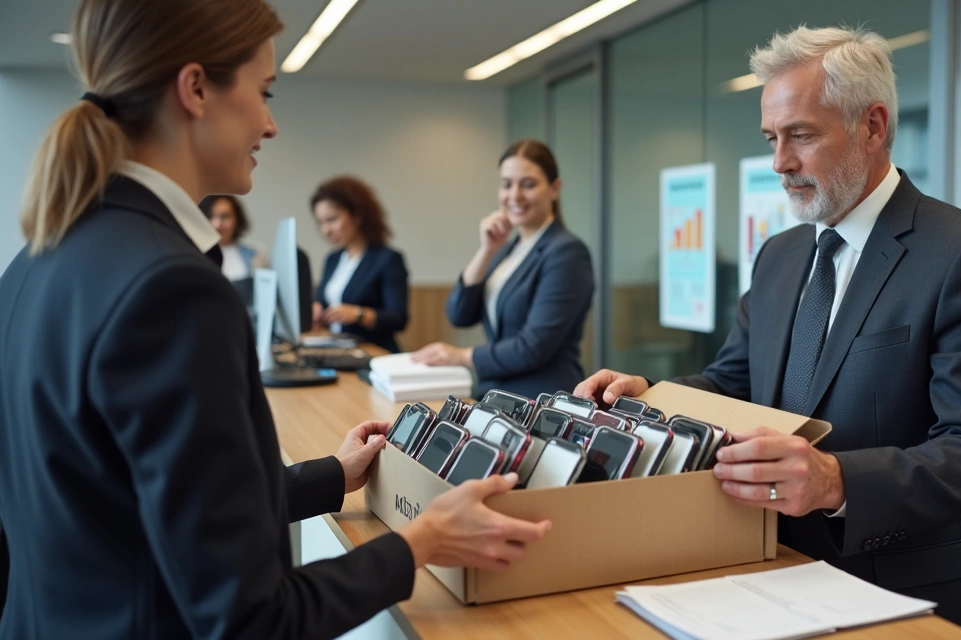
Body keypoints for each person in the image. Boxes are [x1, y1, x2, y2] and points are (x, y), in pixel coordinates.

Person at [0, 1, 549, 638]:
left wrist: (330, 478)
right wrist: (421, 542)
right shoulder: (173, 290)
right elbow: (253, 619)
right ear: (196, 88)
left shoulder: (35, 260)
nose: (271, 124)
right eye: (264, 92)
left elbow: (133, 502)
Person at [575, 26, 961, 640]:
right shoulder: (780, 256)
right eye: (772, 138)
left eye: (802, 135)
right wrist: (648, 395)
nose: (780, 162)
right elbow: (733, 381)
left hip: (904, 595)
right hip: (771, 572)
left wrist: (835, 479)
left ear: (873, 127)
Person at [413, 140, 594, 399]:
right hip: (499, 394)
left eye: (528, 184)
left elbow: (533, 348)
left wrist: (461, 356)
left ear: (555, 189)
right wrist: (486, 251)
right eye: (506, 184)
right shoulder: (509, 250)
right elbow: (458, 314)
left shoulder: (567, 253)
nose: (515, 195)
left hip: (541, 400)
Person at [311, 176, 410, 353]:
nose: (325, 230)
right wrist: (317, 309)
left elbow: (399, 319)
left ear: (357, 216)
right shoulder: (332, 259)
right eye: (321, 223)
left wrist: (359, 314)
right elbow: (324, 301)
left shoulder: (387, 259)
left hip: (373, 352)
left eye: (332, 219)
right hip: (337, 350)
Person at [201, 194, 266, 281]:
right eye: (210, 216)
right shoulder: (194, 254)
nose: (217, 224)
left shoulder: (255, 254)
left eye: (225, 216)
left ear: (237, 219)